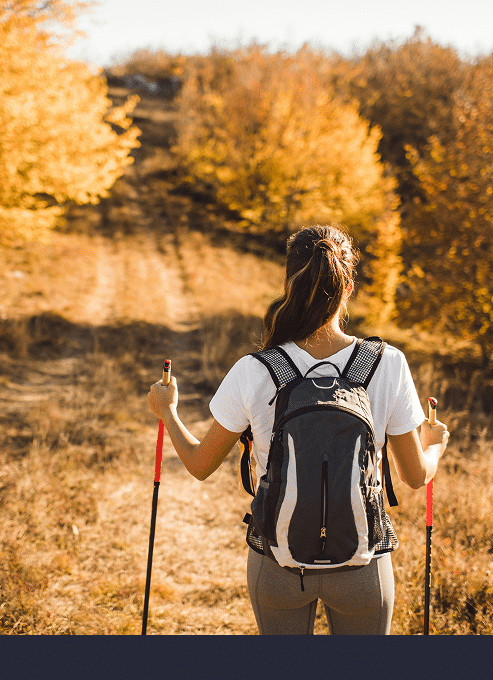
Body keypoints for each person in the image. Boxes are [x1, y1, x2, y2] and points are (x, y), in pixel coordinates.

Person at [149, 225, 449, 635]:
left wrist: (168, 413)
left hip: (277, 562)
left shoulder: (256, 369)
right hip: (362, 565)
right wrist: (432, 447)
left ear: (288, 282)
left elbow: (200, 465)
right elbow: (415, 477)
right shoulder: (386, 363)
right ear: (348, 288)